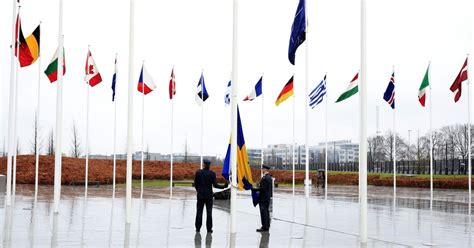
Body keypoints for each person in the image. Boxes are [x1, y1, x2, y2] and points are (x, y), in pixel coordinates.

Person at [194, 159, 228, 233]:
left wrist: (199, 191)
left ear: (204, 164)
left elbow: (196, 184)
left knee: (199, 212)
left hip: (200, 196)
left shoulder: (198, 172)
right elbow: (215, 185)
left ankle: (198, 228)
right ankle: (209, 229)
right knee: (209, 213)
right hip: (209, 196)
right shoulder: (212, 173)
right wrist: (224, 186)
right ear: (209, 165)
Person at [252, 165, 273, 232]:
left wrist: (254, 189)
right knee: (266, 212)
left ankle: (264, 227)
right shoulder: (269, 177)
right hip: (266, 197)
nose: (262, 170)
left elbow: (263, 188)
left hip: (263, 198)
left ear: (266, 169)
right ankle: (267, 225)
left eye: (263, 169)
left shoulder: (265, 178)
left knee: (263, 212)